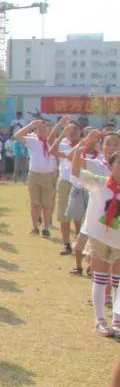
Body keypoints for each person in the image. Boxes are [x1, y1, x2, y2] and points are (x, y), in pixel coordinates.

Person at [71, 130, 120, 337]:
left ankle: (117, 321)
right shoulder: (99, 182)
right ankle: (100, 321)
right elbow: (75, 171)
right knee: (100, 279)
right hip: (99, 238)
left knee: (117, 280)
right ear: (110, 166)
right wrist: (82, 148)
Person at [14, 117, 64, 236]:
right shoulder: (32, 140)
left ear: (49, 130)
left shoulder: (54, 141)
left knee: (47, 204)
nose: (42, 131)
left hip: (49, 176)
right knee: (35, 203)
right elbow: (17, 135)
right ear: (36, 131)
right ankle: (35, 227)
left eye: (45, 129)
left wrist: (60, 126)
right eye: (39, 129)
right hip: (34, 176)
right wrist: (31, 125)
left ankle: (46, 228)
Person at [53, 122, 84, 254]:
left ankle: (79, 243)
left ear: (80, 131)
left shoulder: (85, 144)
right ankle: (66, 244)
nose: (72, 132)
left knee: (79, 216)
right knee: (64, 215)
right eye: (70, 129)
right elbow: (51, 151)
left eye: (76, 129)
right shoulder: (62, 142)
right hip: (65, 181)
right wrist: (61, 135)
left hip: (80, 182)